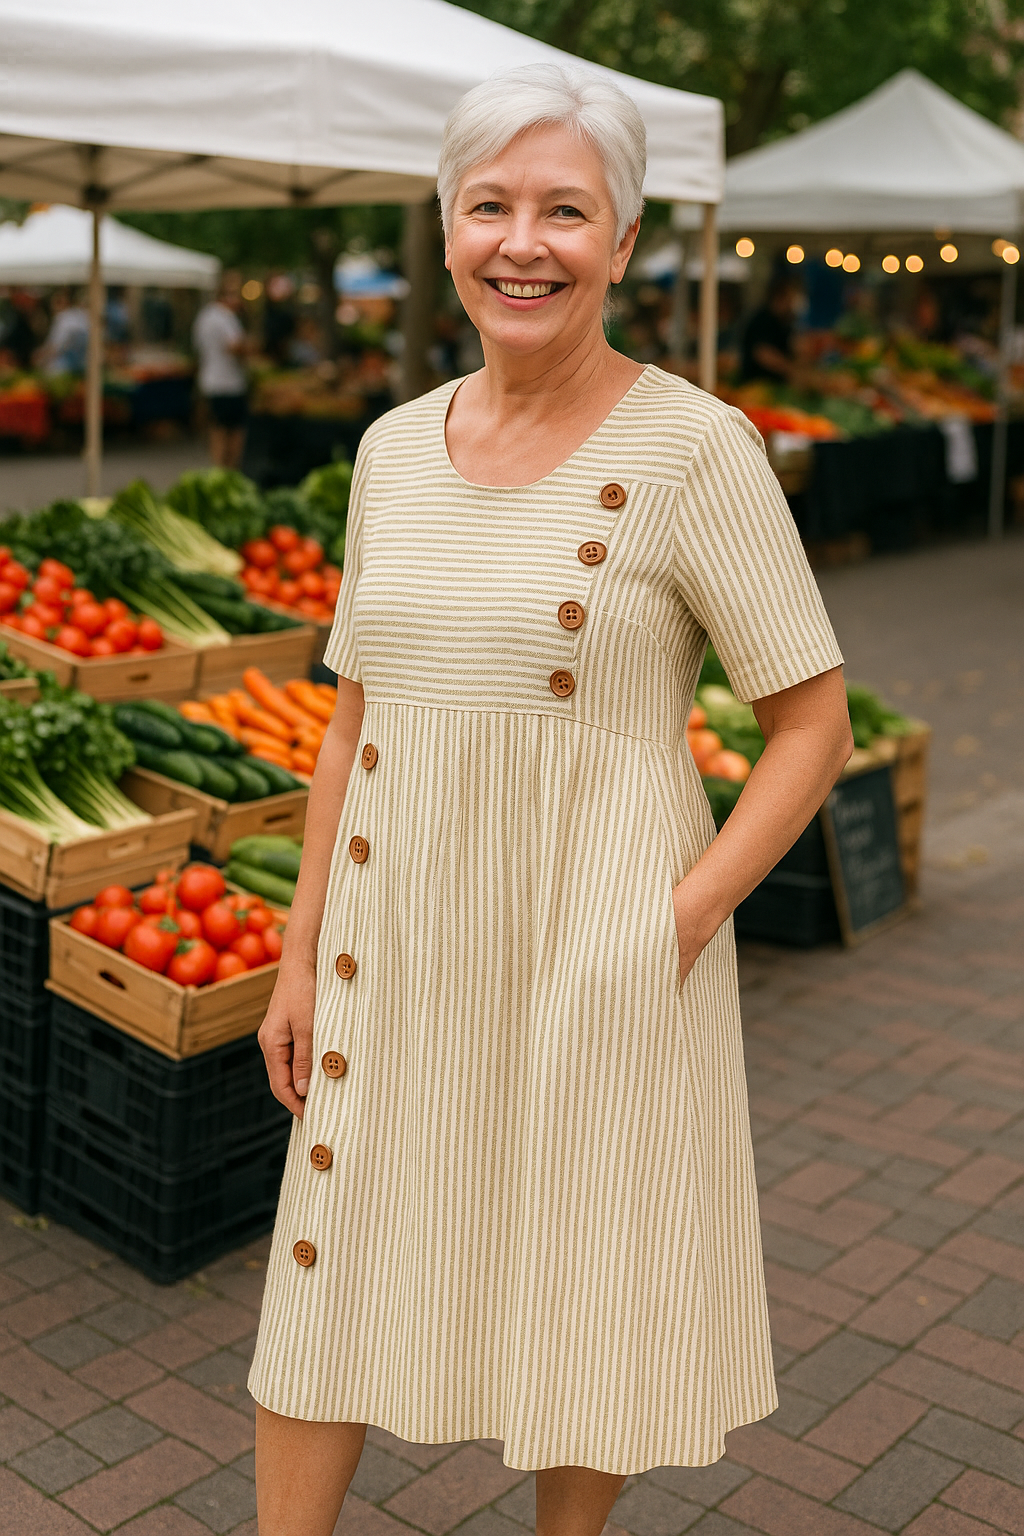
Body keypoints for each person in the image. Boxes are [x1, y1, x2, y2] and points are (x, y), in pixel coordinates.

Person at [249, 64, 852, 1536]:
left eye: (565, 211)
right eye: (491, 206)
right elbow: (353, 719)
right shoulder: (391, 449)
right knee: (329, 1265)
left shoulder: (696, 449)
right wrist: (297, 952)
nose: (523, 243)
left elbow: (812, 725)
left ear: (624, 241)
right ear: (449, 227)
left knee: (586, 1271)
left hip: (595, 944)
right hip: (393, 940)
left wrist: (675, 922)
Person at [192, 272, 249, 467]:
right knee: (231, 432)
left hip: (210, 381)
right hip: (229, 383)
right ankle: (227, 470)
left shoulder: (204, 316)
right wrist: (251, 349)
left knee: (217, 429)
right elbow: (234, 347)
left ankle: (218, 470)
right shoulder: (226, 318)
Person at [740, 274, 799, 383]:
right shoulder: (762, 320)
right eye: (790, 299)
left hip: (775, 384)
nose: (792, 305)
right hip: (757, 383)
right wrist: (791, 369)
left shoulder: (783, 321)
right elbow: (763, 354)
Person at [36, 289, 89, 375]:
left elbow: (56, 346)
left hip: (64, 368)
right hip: (82, 364)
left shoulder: (64, 318)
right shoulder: (79, 315)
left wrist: (40, 358)